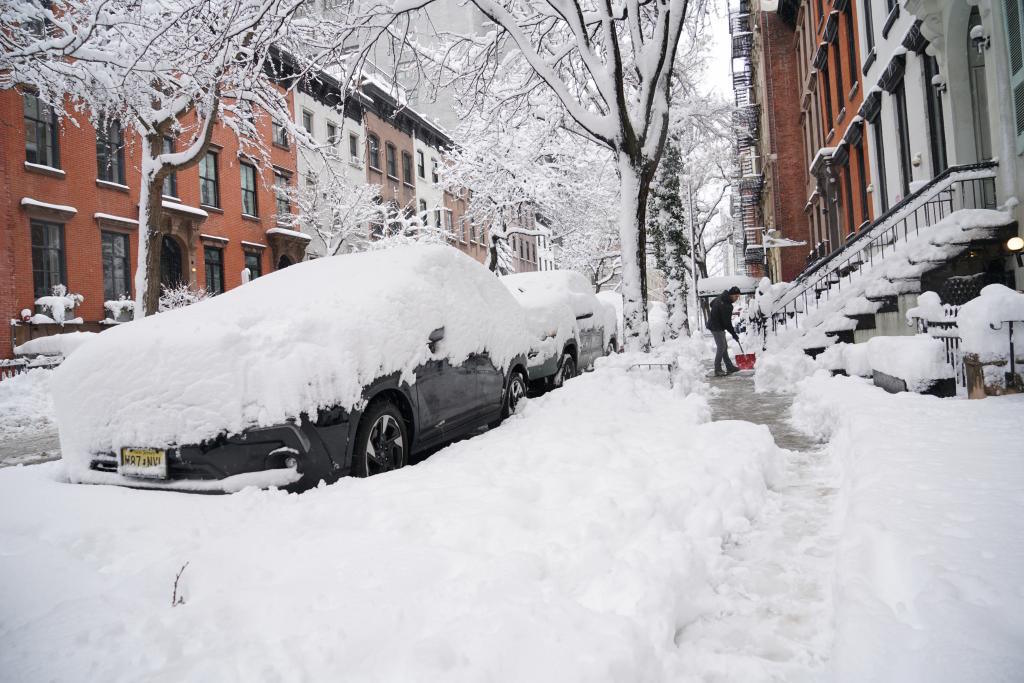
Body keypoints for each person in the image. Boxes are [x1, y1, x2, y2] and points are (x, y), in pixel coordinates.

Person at [708, 286, 742, 376]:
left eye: (738, 297)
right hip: (716, 327)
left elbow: (711, 303)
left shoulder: (721, 297)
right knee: (721, 347)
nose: (737, 298)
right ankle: (717, 369)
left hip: (717, 325)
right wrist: (734, 334)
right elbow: (727, 323)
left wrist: (717, 312)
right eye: (736, 296)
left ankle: (729, 367)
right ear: (731, 295)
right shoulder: (727, 305)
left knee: (724, 346)